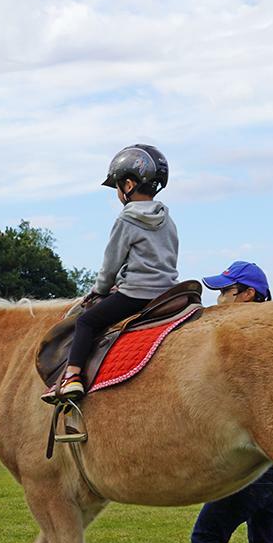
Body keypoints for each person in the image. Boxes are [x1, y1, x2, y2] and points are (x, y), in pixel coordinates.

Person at [190, 261, 273, 543]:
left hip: (254, 463)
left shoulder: (246, 342)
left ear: (247, 294)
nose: (218, 300)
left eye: (225, 292)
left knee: (205, 537)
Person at [42, 144, 178, 402]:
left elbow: (110, 264)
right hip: (169, 292)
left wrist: (99, 290)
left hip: (137, 294)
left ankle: (72, 376)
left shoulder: (127, 219)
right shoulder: (167, 218)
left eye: (117, 186)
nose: (117, 192)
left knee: (86, 322)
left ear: (128, 185)